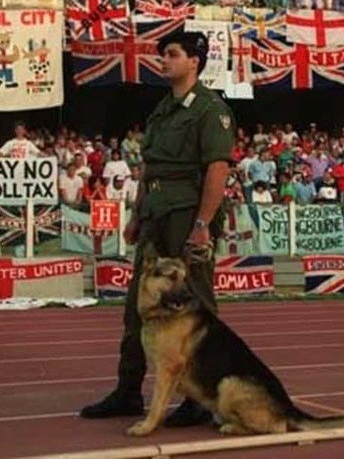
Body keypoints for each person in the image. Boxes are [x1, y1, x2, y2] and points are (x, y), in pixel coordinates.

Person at [80, 30, 235, 427]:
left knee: (194, 304)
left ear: (193, 62)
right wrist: (135, 215)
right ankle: (128, 389)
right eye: (163, 54)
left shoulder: (209, 109)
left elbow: (217, 168)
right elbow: (149, 167)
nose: (163, 60)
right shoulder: (163, 110)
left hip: (187, 212)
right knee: (139, 304)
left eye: (171, 54)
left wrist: (202, 224)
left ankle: (199, 396)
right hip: (156, 212)